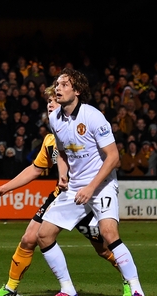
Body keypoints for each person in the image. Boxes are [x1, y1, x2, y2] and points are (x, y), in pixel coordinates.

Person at [0, 85, 130, 296]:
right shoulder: (51, 140)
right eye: (48, 102)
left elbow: (110, 157)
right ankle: (10, 288)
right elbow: (35, 169)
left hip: (88, 197)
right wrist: (4, 189)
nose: (50, 105)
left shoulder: (84, 128)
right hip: (63, 197)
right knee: (29, 238)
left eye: (54, 101)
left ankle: (129, 282)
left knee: (104, 249)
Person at [39, 70, 142, 296]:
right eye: (57, 84)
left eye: (64, 84)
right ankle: (67, 290)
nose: (58, 88)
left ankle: (136, 289)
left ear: (77, 91)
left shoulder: (93, 116)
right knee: (44, 235)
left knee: (108, 233)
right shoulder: (55, 118)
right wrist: (63, 174)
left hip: (101, 184)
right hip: (76, 186)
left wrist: (91, 187)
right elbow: (62, 151)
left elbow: (113, 157)